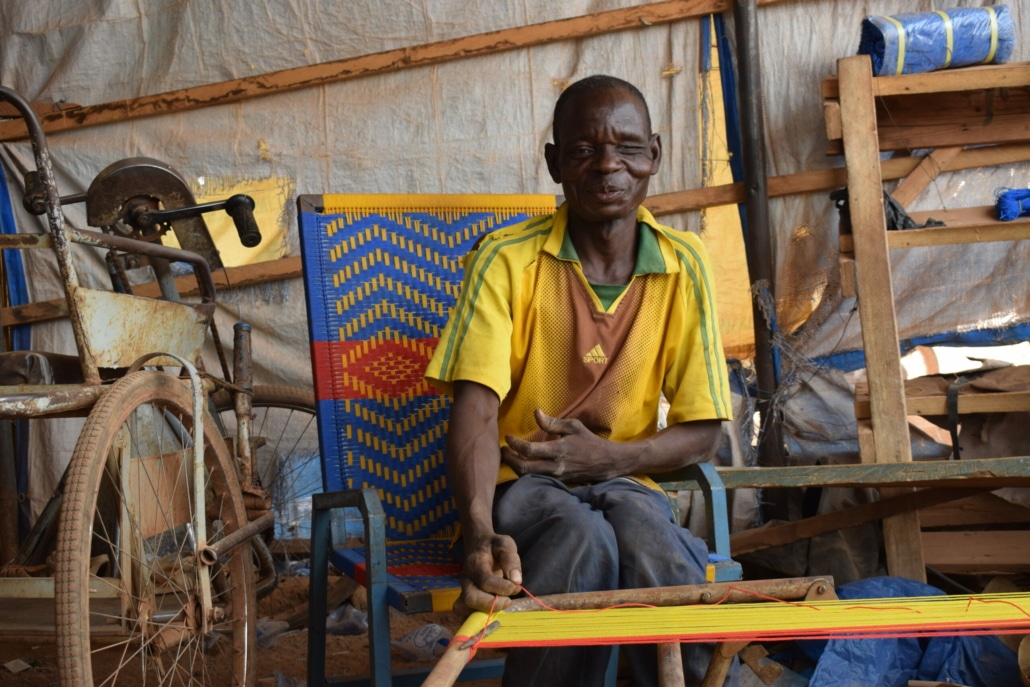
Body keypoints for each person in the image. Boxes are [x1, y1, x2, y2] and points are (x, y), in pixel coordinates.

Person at [424, 74, 735, 686]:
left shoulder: (684, 264)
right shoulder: (506, 259)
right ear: (554, 164)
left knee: (650, 540)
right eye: (584, 150)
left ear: (655, 155)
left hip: (628, 480)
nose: (608, 166)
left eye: (628, 147)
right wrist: (480, 532)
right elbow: (478, 412)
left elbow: (704, 434)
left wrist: (607, 459)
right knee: (579, 537)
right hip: (524, 485)